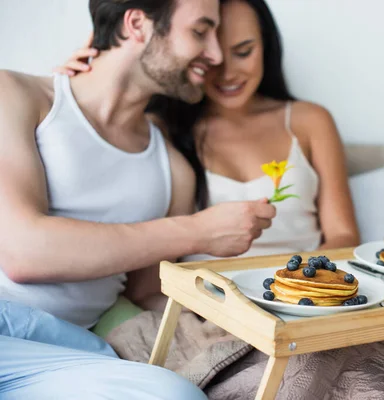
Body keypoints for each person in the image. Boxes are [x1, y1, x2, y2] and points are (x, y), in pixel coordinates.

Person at [0, 0, 276, 398]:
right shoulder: (19, 96)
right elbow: (24, 253)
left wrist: (246, 322)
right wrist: (196, 231)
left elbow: (145, 294)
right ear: (136, 24)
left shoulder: (173, 171)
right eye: (200, 32)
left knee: (173, 394)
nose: (215, 55)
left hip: (65, 356)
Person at [58, 0, 361, 261]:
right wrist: (72, 86)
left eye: (243, 52)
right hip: (205, 306)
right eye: (207, 51)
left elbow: (344, 234)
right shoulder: (157, 131)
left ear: (266, 47)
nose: (227, 71)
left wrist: (293, 284)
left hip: (301, 295)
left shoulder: (309, 121)